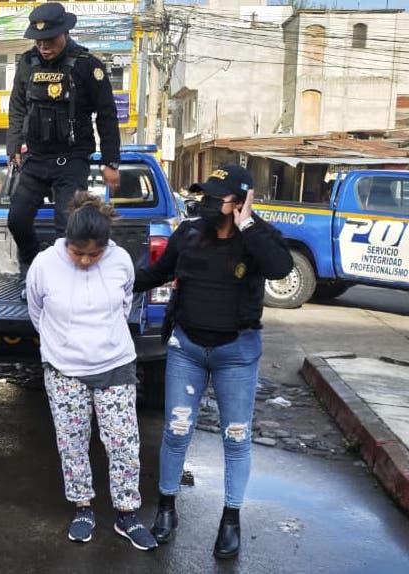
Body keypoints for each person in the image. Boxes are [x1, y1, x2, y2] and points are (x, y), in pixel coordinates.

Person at [134, 165, 293, 559]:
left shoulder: (258, 237)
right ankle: (166, 509)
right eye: (203, 194)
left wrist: (248, 225)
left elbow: (280, 268)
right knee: (176, 431)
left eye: (215, 197)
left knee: (236, 437)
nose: (205, 202)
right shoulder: (189, 233)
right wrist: (108, 276)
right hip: (187, 348)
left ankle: (230, 520)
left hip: (235, 354)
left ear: (240, 202)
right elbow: (156, 273)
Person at [26, 192, 157, 551]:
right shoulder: (44, 264)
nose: (85, 260)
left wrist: (103, 337)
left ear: (106, 245)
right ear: (66, 241)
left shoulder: (121, 260)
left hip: (115, 363)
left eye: (94, 254)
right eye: (77, 252)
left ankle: (127, 514)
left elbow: (125, 301)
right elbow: (37, 311)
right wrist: (61, 345)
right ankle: (82, 508)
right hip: (64, 369)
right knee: (72, 443)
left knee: (123, 443)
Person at [7, 1, 121, 279]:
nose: (43, 46)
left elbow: (106, 115)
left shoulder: (87, 66)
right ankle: (33, 268)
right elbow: (18, 107)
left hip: (72, 160)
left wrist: (110, 162)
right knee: (17, 219)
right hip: (35, 159)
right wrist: (13, 147)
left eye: (49, 40)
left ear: (65, 33)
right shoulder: (27, 63)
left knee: (67, 226)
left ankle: (63, 279)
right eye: (38, 41)